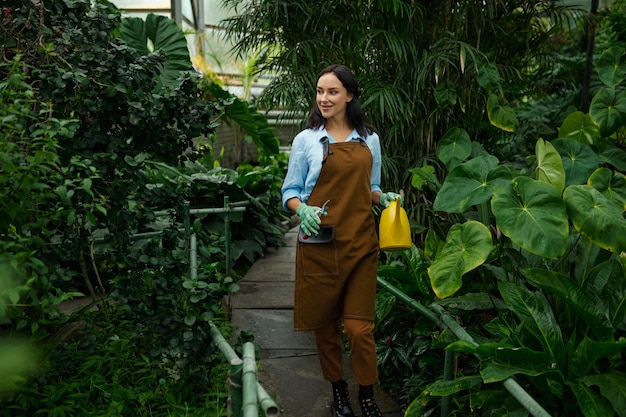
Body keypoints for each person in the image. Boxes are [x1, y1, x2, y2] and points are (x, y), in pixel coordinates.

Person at [281, 64, 401, 417]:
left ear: (349, 95)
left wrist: (386, 198)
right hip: (319, 245)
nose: (324, 99)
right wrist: (300, 209)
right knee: (326, 327)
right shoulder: (305, 140)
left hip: (361, 244)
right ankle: (338, 392)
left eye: (332, 92)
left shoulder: (369, 139)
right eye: (319, 92)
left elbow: (371, 188)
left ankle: (367, 392)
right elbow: (289, 191)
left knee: (359, 328)